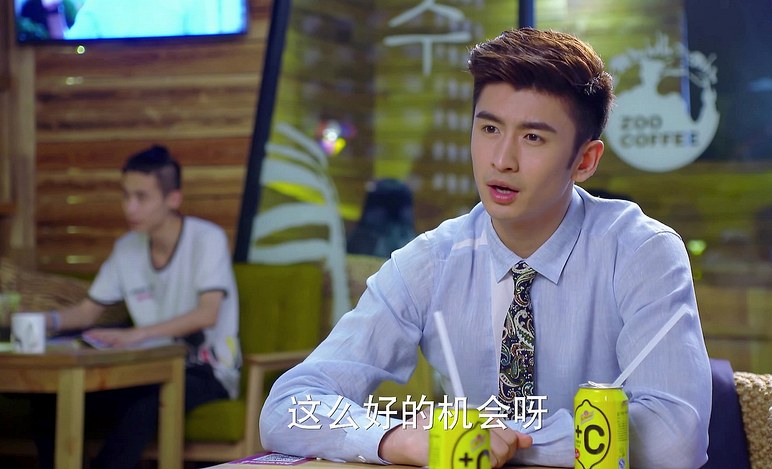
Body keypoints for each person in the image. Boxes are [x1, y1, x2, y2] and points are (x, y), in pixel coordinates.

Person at [260, 28, 711, 468]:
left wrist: (499, 441)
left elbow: (675, 439)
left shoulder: (642, 253)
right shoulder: (431, 262)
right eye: (490, 128)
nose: (501, 160)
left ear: (585, 160)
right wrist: (396, 438)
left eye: (533, 137)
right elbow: (289, 407)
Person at [32, 145, 241, 469]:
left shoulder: (207, 239)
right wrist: (37, 321)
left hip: (204, 370)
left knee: (146, 402)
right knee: (49, 399)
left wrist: (135, 335)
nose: (130, 207)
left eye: (141, 197)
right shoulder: (126, 248)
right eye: (126, 196)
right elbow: (87, 312)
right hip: (142, 369)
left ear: (173, 199)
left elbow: (208, 313)